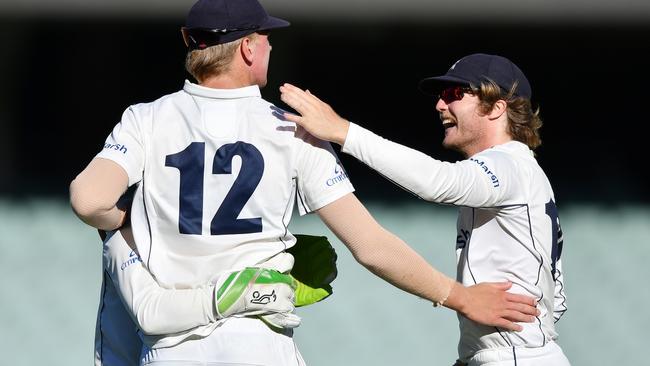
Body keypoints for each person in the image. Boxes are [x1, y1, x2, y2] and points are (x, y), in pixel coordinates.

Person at [69, 1, 540, 362]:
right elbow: (370, 245)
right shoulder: (290, 128)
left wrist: (131, 225)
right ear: (249, 48)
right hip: (258, 340)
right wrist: (457, 296)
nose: (271, 46)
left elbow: (90, 200)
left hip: (170, 346)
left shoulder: (146, 118)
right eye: (267, 37)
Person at [279, 53, 570, 366]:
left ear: (497, 107)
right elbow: (558, 301)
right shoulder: (524, 174)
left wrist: (343, 131)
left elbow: (438, 181)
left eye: (455, 95)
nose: (440, 105)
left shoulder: (509, 165)